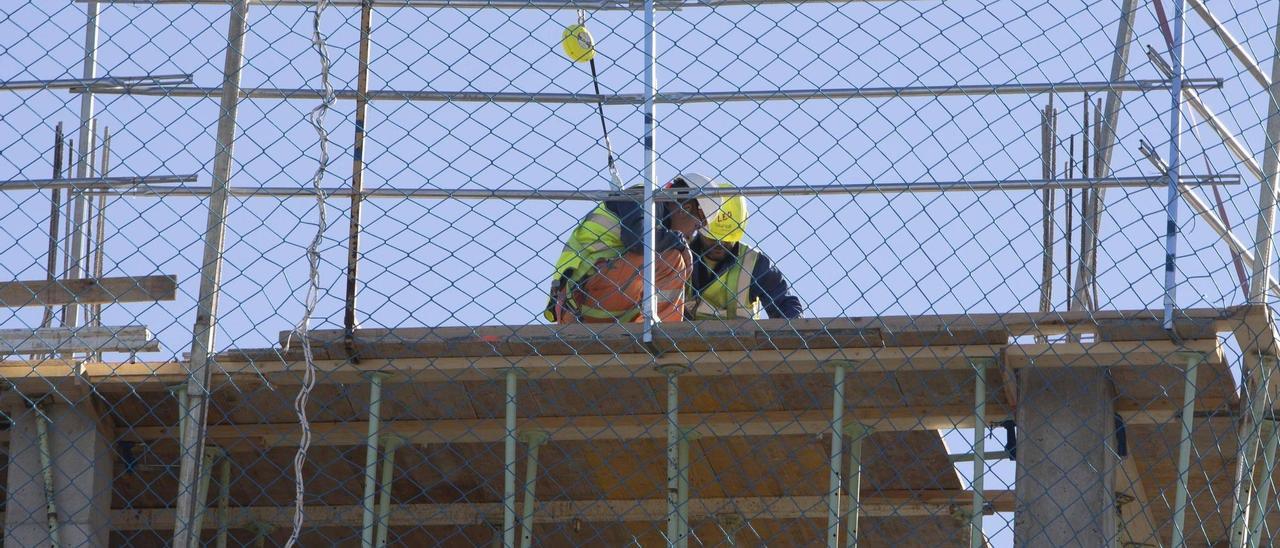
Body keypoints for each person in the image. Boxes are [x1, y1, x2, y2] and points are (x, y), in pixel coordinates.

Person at [545, 174, 714, 324]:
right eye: (697, 225)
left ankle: (653, 326)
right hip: (584, 296)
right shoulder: (642, 196)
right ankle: (666, 331)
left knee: (673, 258)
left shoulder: (656, 218)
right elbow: (638, 241)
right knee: (672, 258)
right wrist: (676, 240)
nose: (692, 235)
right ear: (687, 208)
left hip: (590, 305)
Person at [685, 181, 802, 320]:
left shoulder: (753, 262)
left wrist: (791, 335)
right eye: (713, 238)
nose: (719, 244)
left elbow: (784, 304)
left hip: (740, 339)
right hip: (683, 339)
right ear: (699, 226)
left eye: (726, 239)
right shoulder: (680, 255)